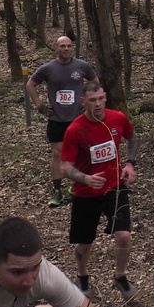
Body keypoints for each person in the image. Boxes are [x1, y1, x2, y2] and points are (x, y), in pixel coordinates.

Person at [60, 80, 139, 300]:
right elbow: (65, 167)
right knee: (85, 242)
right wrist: (86, 178)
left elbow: (131, 137)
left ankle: (120, 276)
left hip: (114, 187)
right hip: (86, 193)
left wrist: (130, 163)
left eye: (101, 99)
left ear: (105, 97)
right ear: (83, 102)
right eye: (92, 101)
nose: (98, 104)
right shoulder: (75, 130)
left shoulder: (118, 118)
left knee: (123, 235)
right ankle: (82, 276)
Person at [26, 35, 97, 207]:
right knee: (57, 154)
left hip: (78, 118)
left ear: (73, 48)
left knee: (81, 153)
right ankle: (57, 190)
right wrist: (39, 105)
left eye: (69, 46)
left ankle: (77, 186)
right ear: (56, 48)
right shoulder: (47, 68)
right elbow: (30, 85)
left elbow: (95, 83)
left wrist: (89, 104)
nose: (66, 49)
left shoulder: (82, 66)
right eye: (62, 46)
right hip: (56, 118)